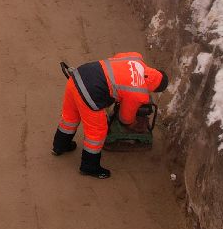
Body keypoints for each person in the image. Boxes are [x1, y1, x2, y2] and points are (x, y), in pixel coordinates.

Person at [51, 51, 167, 179]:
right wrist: (133, 123)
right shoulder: (139, 92)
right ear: (153, 89)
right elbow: (125, 118)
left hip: (78, 76)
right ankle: (89, 167)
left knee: (70, 118)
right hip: (90, 93)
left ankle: (60, 146)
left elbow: (117, 60)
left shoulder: (136, 57)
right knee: (97, 132)